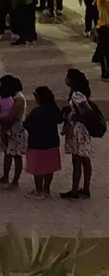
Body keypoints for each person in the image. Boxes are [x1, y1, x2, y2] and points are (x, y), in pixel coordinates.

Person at [62, 68, 97, 200]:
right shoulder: (82, 93)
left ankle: (75, 190)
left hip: (77, 130)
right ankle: (86, 188)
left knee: (77, 159)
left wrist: (78, 116)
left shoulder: (77, 95)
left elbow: (87, 110)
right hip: (83, 129)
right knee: (85, 158)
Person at [25, 86, 61, 198]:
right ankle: (46, 189)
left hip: (37, 143)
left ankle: (38, 190)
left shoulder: (36, 112)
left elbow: (26, 125)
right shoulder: (54, 110)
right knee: (49, 167)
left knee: (38, 168)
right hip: (52, 143)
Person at [0, 76, 27, 189]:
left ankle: (15, 181)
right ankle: (5, 176)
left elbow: (12, 117)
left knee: (16, 155)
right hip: (8, 129)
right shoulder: (11, 96)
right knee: (7, 153)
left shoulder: (19, 98)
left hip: (16, 130)